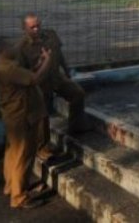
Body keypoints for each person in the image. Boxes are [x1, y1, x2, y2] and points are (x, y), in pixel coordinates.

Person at [16, 13, 87, 160]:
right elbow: (24, 73)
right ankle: (42, 147)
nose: (36, 29)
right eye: (32, 27)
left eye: (38, 25)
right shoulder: (22, 47)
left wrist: (67, 71)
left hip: (56, 76)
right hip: (40, 82)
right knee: (43, 115)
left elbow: (59, 55)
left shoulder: (51, 35)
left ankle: (76, 126)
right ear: (24, 29)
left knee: (77, 93)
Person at [0, 37, 51, 209]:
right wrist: (47, 60)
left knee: (12, 153)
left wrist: (39, 63)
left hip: (13, 116)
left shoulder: (5, 66)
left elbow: (28, 75)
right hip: (21, 116)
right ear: (3, 50)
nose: (13, 48)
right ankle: (19, 197)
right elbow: (35, 79)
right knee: (22, 156)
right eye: (10, 45)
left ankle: (11, 186)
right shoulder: (9, 69)